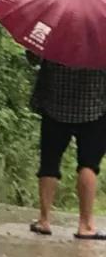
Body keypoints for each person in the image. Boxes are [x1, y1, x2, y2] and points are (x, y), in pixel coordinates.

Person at [30, 54, 106, 239]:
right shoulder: (101, 40)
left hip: (55, 110)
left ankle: (44, 220)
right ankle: (85, 225)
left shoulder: (55, 35)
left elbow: (32, 58)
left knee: (49, 163)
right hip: (94, 111)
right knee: (88, 165)